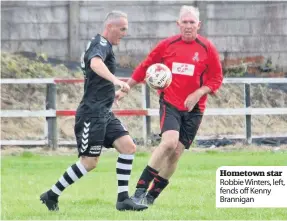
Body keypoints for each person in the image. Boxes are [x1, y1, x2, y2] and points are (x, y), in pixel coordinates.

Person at [115, 5, 223, 205]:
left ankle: (150, 197)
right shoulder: (167, 45)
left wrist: (198, 93)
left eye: (192, 22)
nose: (188, 26)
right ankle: (139, 190)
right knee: (169, 142)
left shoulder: (207, 48)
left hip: (194, 109)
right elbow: (145, 66)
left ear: (199, 25)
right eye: (185, 22)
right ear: (178, 24)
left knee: (175, 154)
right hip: (170, 103)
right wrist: (126, 87)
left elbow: (216, 78)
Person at [40, 11, 147, 212]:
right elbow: (95, 63)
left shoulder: (102, 45)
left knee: (128, 147)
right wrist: (116, 80)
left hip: (104, 110)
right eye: (122, 28)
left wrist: (111, 94)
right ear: (111, 27)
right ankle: (51, 194)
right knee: (89, 162)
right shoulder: (101, 44)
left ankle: (123, 199)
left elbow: (96, 75)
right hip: (92, 113)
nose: (125, 33)